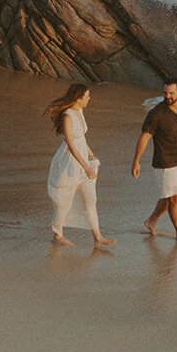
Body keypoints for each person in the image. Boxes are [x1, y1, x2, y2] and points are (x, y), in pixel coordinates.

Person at [44, 84, 116, 248]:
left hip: (83, 158)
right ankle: (58, 235)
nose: (89, 99)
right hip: (69, 162)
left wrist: (91, 155)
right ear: (78, 98)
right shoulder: (67, 117)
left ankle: (98, 237)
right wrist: (85, 166)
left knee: (90, 199)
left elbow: (81, 139)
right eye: (87, 96)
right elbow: (70, 144)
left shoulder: (79, 112)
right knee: (64, 200)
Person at [131, 79, 177, 244]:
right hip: (165, 162)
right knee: (174, 200)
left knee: (169, 197)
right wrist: (136, 161)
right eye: (165, 93)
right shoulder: (157, 113)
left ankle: (151, 221)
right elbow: (145, 137)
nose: (167, 96)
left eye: (171, 93)